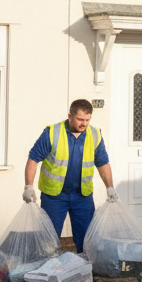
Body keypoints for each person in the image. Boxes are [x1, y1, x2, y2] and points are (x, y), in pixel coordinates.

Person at [23, 99, 115, 254]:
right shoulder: (52, 133)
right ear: (70, 116)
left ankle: (84, 273)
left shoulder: (94, 134)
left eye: (87, 120)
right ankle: (47, 272)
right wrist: (28, 186)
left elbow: (103, 163)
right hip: (54, 196)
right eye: (80, 119)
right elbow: (33, 159)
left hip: (82, 196)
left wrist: (110, 187)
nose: (84, 124)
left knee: (86, 238)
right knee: (49, 238)